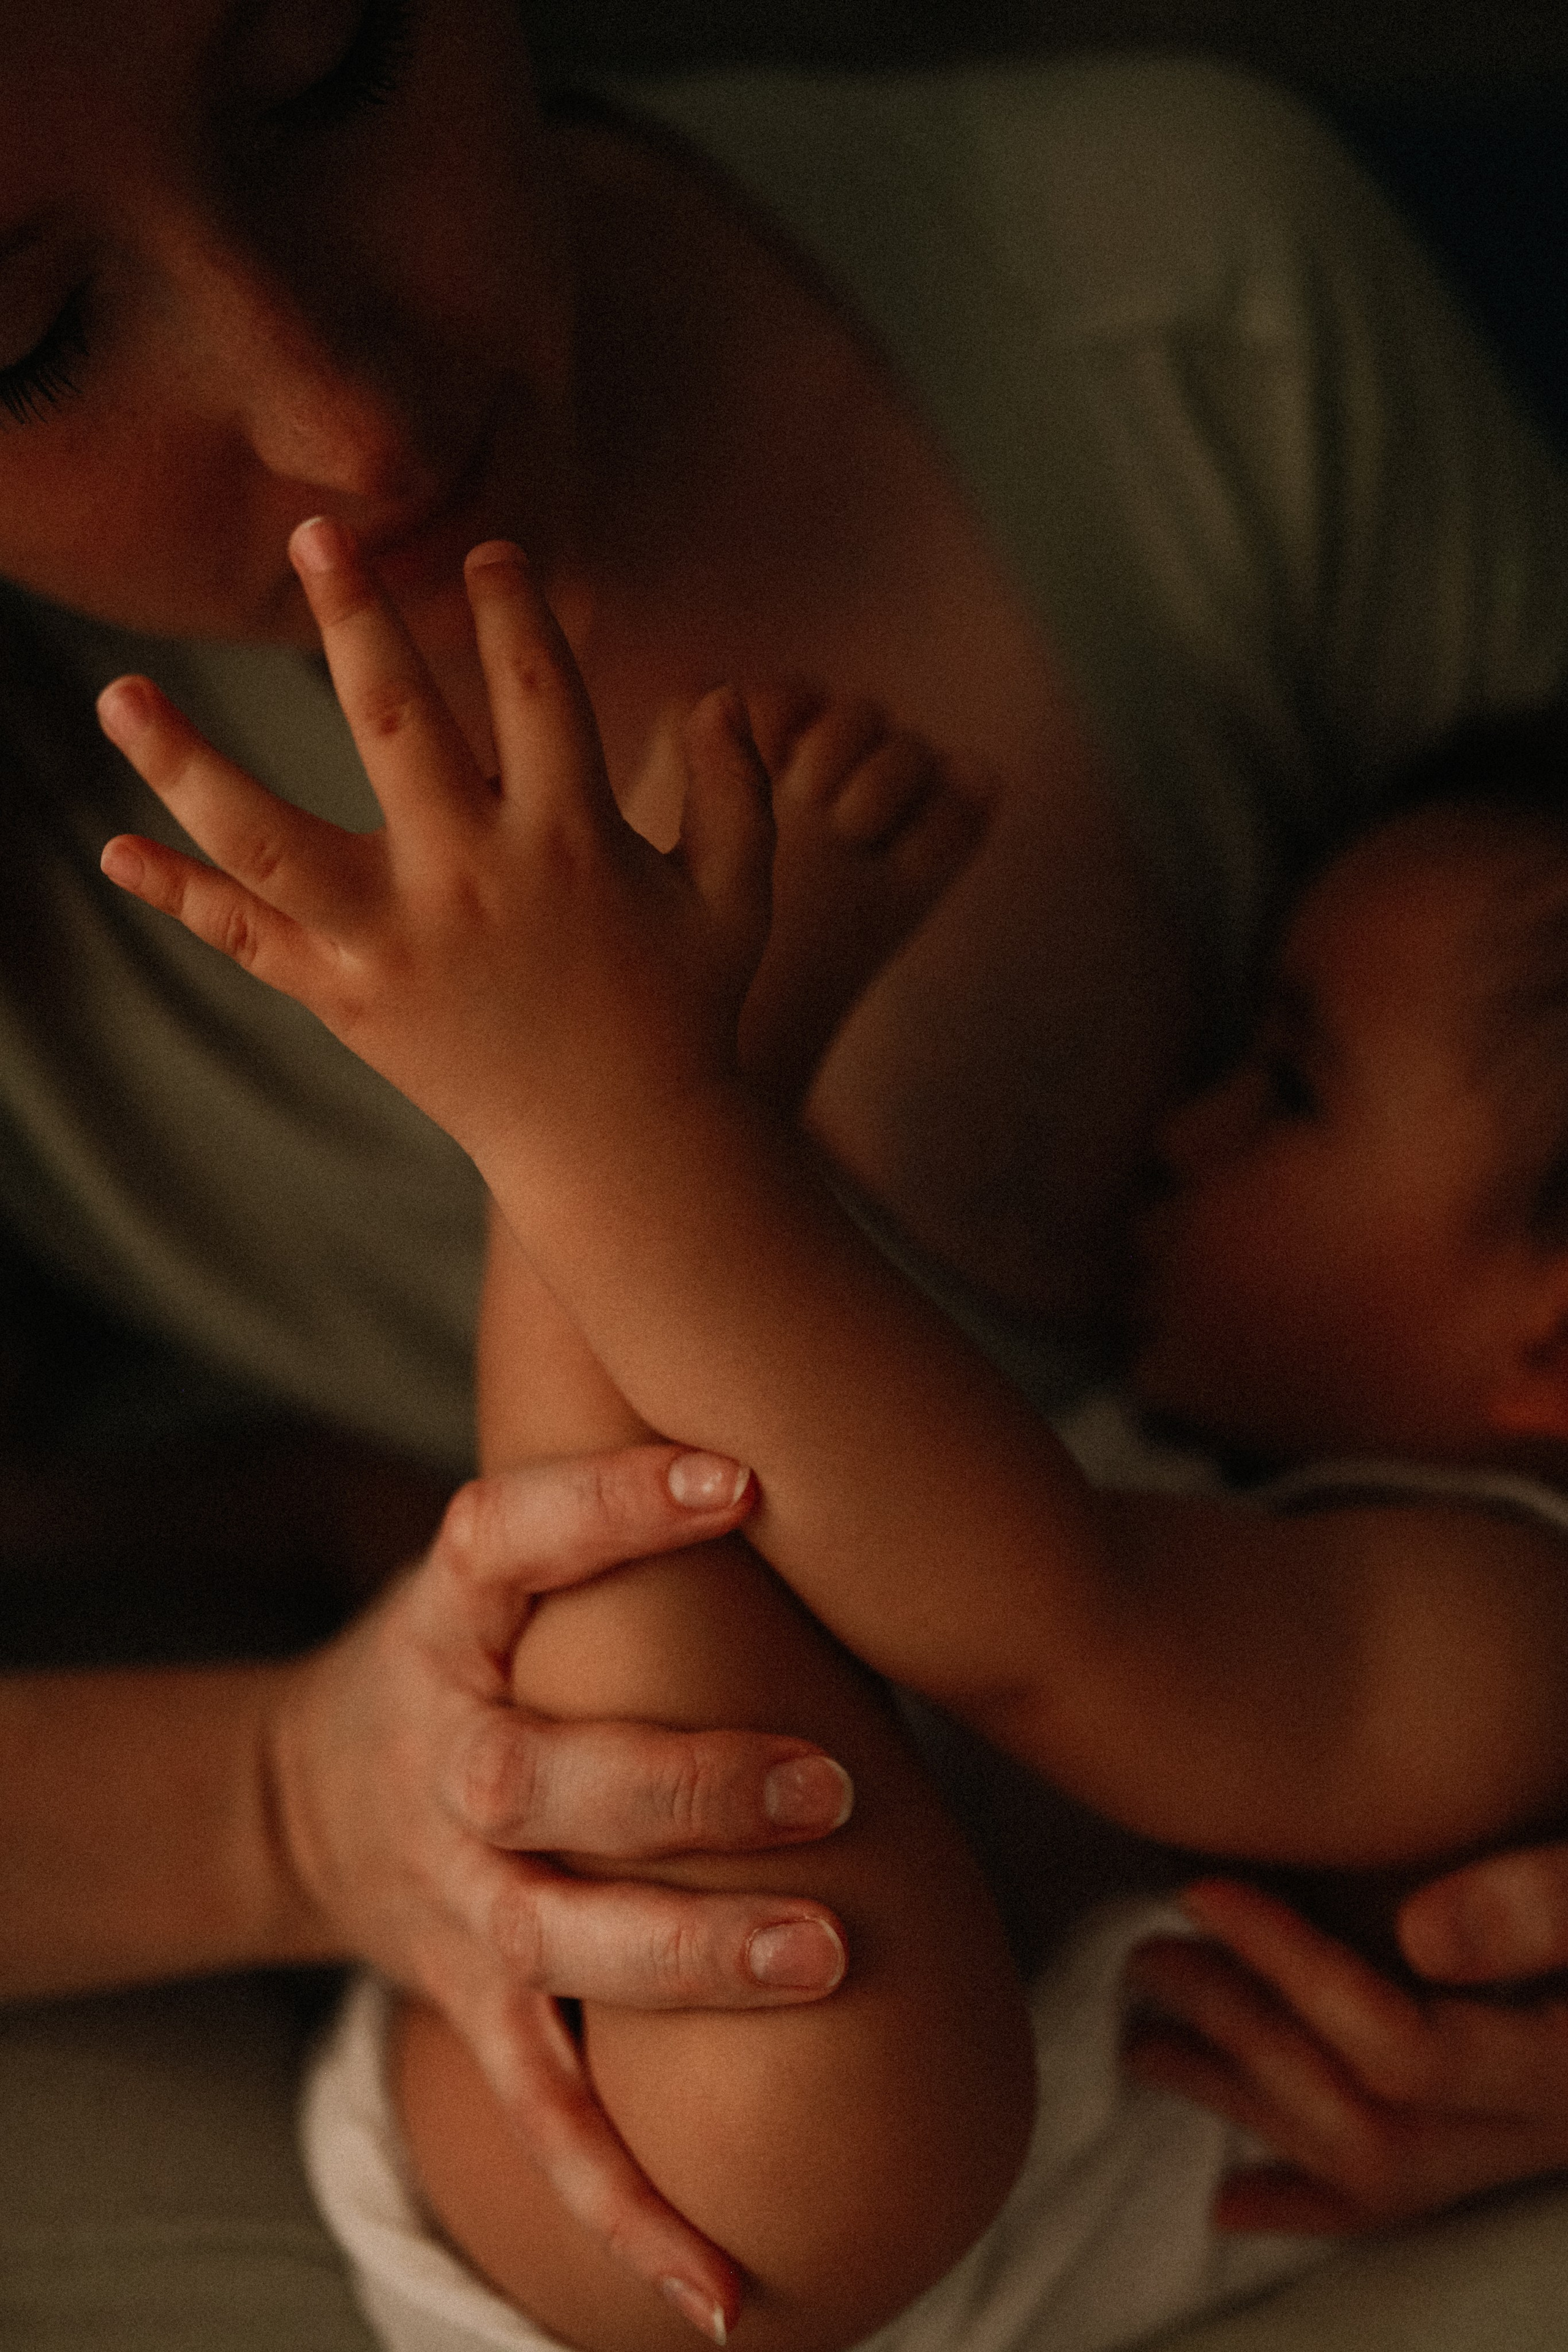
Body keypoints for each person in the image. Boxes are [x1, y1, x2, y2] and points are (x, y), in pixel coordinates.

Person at [4, 4, 1568, 2343]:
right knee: (795, 2001)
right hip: (669, 2116)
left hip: (796, 2122)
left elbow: (1034, 1609)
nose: (342, 414)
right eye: (18, 334)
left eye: (330, 70)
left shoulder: (1495, 1624)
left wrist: (633, 1122)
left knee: (804, 1995)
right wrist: (286, 1792)